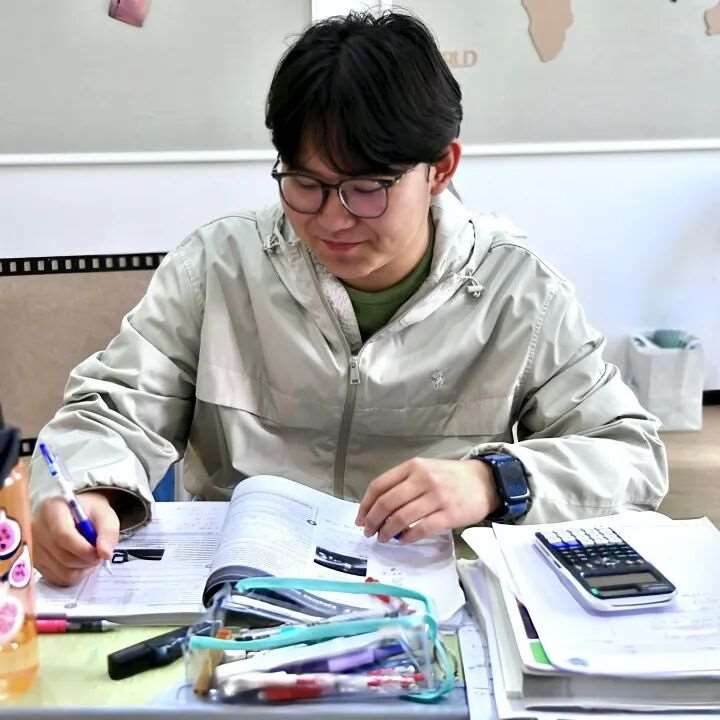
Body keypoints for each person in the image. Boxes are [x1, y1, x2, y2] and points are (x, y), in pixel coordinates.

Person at [29, 11, 667, 587]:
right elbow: (113, 410)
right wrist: (84, 492)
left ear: (441, 168)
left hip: (427, 602)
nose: (332, 219)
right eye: (305, 183)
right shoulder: (217, 268)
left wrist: (493, 481)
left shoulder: (519, 292)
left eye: (366, 188)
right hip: (242, 590)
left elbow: (630, 457)